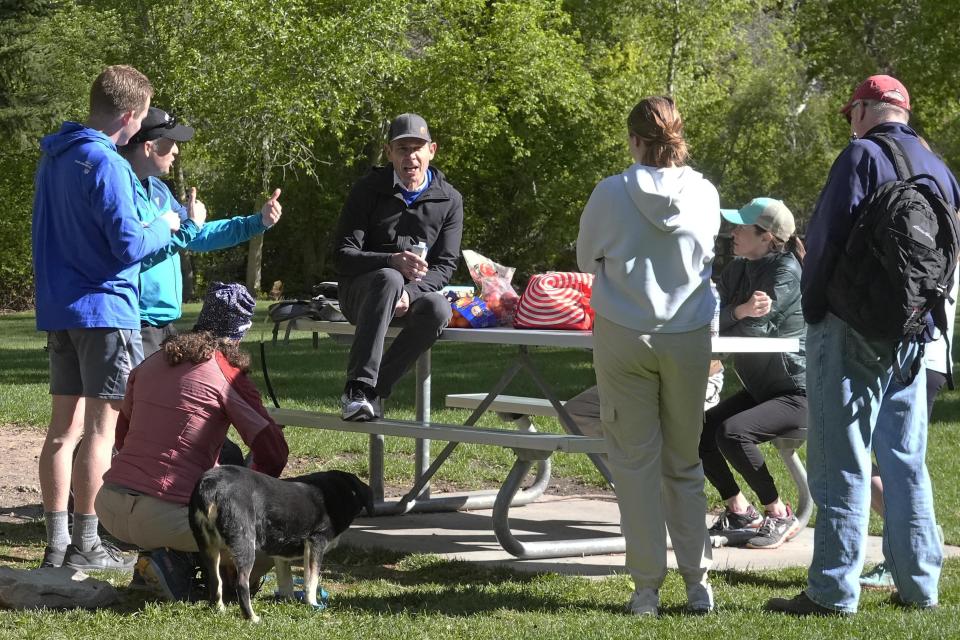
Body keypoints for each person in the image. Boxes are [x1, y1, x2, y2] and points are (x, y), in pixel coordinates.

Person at [767, 75, 959, 616]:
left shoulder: (860, 158)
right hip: (915, 332)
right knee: (905, 462)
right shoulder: (939, 168)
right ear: (905, 110)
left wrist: (813, 311)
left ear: (863, 111)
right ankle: (920, 585)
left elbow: (824, 241)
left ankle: (831, 590)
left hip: (850, 326)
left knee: (841, 459)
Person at [32, 64, 180, 571]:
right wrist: (164, 223)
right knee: (101, 431)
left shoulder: (54, 158)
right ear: (129, 115)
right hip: (106, 310)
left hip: (61, 309)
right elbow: (129, 245)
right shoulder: (108, 163)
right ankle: (89, 545)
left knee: (61, 432)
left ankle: (56, 545)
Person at [576, 95, 721, 616]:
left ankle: (645, 591)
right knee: (683, 462)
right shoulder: (705, 192)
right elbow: (707, 254)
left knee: (635, 464)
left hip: (625, 332)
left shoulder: (610, 192)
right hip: (688, 334)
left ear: (634, 139)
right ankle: (698, 583)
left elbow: (585, 258)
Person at [95, 282, 288, 601]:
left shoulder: (150, 362)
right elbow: (274, 451)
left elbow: (124, 437)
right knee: (275, 532)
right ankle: (215, 577)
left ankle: (155, 562)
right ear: (241, 331)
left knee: (226, 454)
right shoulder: (228, 373)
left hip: (110, 504)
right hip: (162, 516)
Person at [118, 107, 284, 356]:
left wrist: (258, 221)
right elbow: (136, 254)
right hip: (135, 322)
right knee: (134, 396)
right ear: (149, 146)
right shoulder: (119, 190)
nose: (176, 151)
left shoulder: (160, 190)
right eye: (171, 143)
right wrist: (190, 226)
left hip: (164, 324)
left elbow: (199, 234)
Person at [334, 113, 463, 421]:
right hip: (360, 296)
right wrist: (390, 261)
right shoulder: (367, 190)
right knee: (390, 277)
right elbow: (342, 255)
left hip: (410, 299)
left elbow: (445, 266)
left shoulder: (449, 200)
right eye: (402, 148)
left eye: (417, 148)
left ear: (432, 150)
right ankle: (357, 387)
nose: (410, 157)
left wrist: (412, 293)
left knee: (439, 309)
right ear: (388, 152)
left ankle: (373, 392)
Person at [700, 198, 807, 549]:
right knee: (699, 430)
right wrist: (741, 311)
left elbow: (756, 332)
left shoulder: (786, 272)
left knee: (732, 433)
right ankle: (740, 512)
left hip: (798, 392)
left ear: (767, 237)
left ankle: (778, 513)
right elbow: (713, 323)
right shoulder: (736, 270)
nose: (733, 232)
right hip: (764, 390)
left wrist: (737, 315)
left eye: (742, 227)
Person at [860, 269, 956, 588]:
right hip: (920, 358)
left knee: (897, 464)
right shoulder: (942, 233)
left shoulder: (932, 232)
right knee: (895, 463)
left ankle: (907, 553)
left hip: (916, 359)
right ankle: (916, 543)